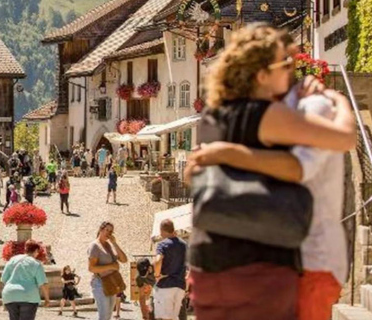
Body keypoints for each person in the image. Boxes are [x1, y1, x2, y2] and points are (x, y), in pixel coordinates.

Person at [186, 24, 356, 320]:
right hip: (257, 264)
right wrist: (341, 102)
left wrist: (227, 154)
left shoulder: (212, 115)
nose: (292, 70)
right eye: (285, 64)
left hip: (206, 262)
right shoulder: (268, 115)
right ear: (262, 75)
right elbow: (340, 141)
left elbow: (193, 174)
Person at [88, 222, 129, 320]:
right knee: (104, 316)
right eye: (107, 230)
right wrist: (111, 266)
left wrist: (114, 243)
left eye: (111, 231)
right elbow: (91, 268)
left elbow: (124, 259)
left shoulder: (109, 245)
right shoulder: (95, 246)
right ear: (101, 230)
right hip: (100, 283)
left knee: (108, 315)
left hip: (111, 282)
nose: (109, 233)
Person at [1, 239, 50, 320]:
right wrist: (47, 299)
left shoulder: (12, 260)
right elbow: (43, 284)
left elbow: (3, 280)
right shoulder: (36, 263)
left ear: (25, 249)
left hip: (10, 295)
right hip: (28, 296)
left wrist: (4, 300)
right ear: (36, 250)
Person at [152, 219, 187, 320]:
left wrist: (157, 275)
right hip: (180, 286)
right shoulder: (184, 244)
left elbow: (158, 261)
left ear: (162, 230)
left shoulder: (163, 244)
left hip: (165, 285)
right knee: (174, 317)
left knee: (162, 318)